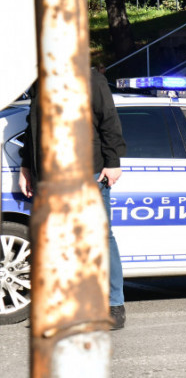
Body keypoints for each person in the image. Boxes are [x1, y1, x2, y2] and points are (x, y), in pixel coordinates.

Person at [18, 68, 128, 329]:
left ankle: (113, 305)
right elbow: (33, 126)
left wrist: (113, 161)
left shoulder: (91, 78)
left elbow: (109, 121)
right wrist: (26, 166)